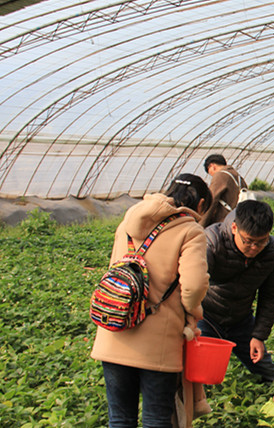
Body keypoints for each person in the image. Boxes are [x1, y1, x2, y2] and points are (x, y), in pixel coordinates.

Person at [91, 173, 211, 427]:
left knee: (120, 418)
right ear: (200, 204)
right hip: (159, 343)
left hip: (114, 331)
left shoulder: (128, 221)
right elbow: (194, 285)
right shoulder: (190, 230)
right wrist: (192, 314)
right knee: (156, 418)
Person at [200, 200, 274, 383]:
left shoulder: (272, 250)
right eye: (248, 241)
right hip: (206, 316)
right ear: (234, 228)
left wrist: (258, 335)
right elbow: (191, 286)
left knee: (271, 378)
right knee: (200, 377)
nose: (254, 248)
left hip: (241, 320)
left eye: (260, 242)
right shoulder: (211, 242)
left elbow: (272, 294)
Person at [200, 154, 248, 228]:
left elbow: (211, 200)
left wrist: (201, 224)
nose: (212, 175)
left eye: (210, 172)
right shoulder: (239, 177)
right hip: (237, 221)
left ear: (212, 166)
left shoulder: (220, 175)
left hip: (222, 223)